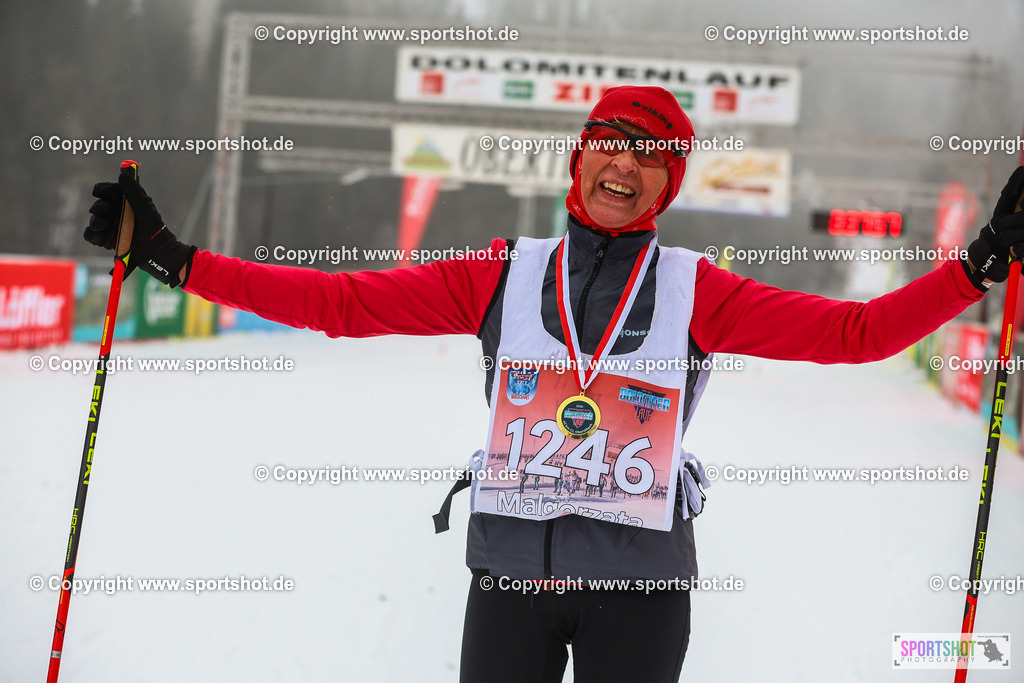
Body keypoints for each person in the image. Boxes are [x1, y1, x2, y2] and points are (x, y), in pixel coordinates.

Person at [83, 85, 1024, 683]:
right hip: (510, 576)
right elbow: (339, 302)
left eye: (651, 153)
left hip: (641, 584)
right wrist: (169, 256)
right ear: (581, 159)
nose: (626, 161)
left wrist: (977, 266)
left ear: (668, 185)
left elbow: (855, 332)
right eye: (611, 140)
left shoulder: (702, 291)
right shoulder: (498, 271)